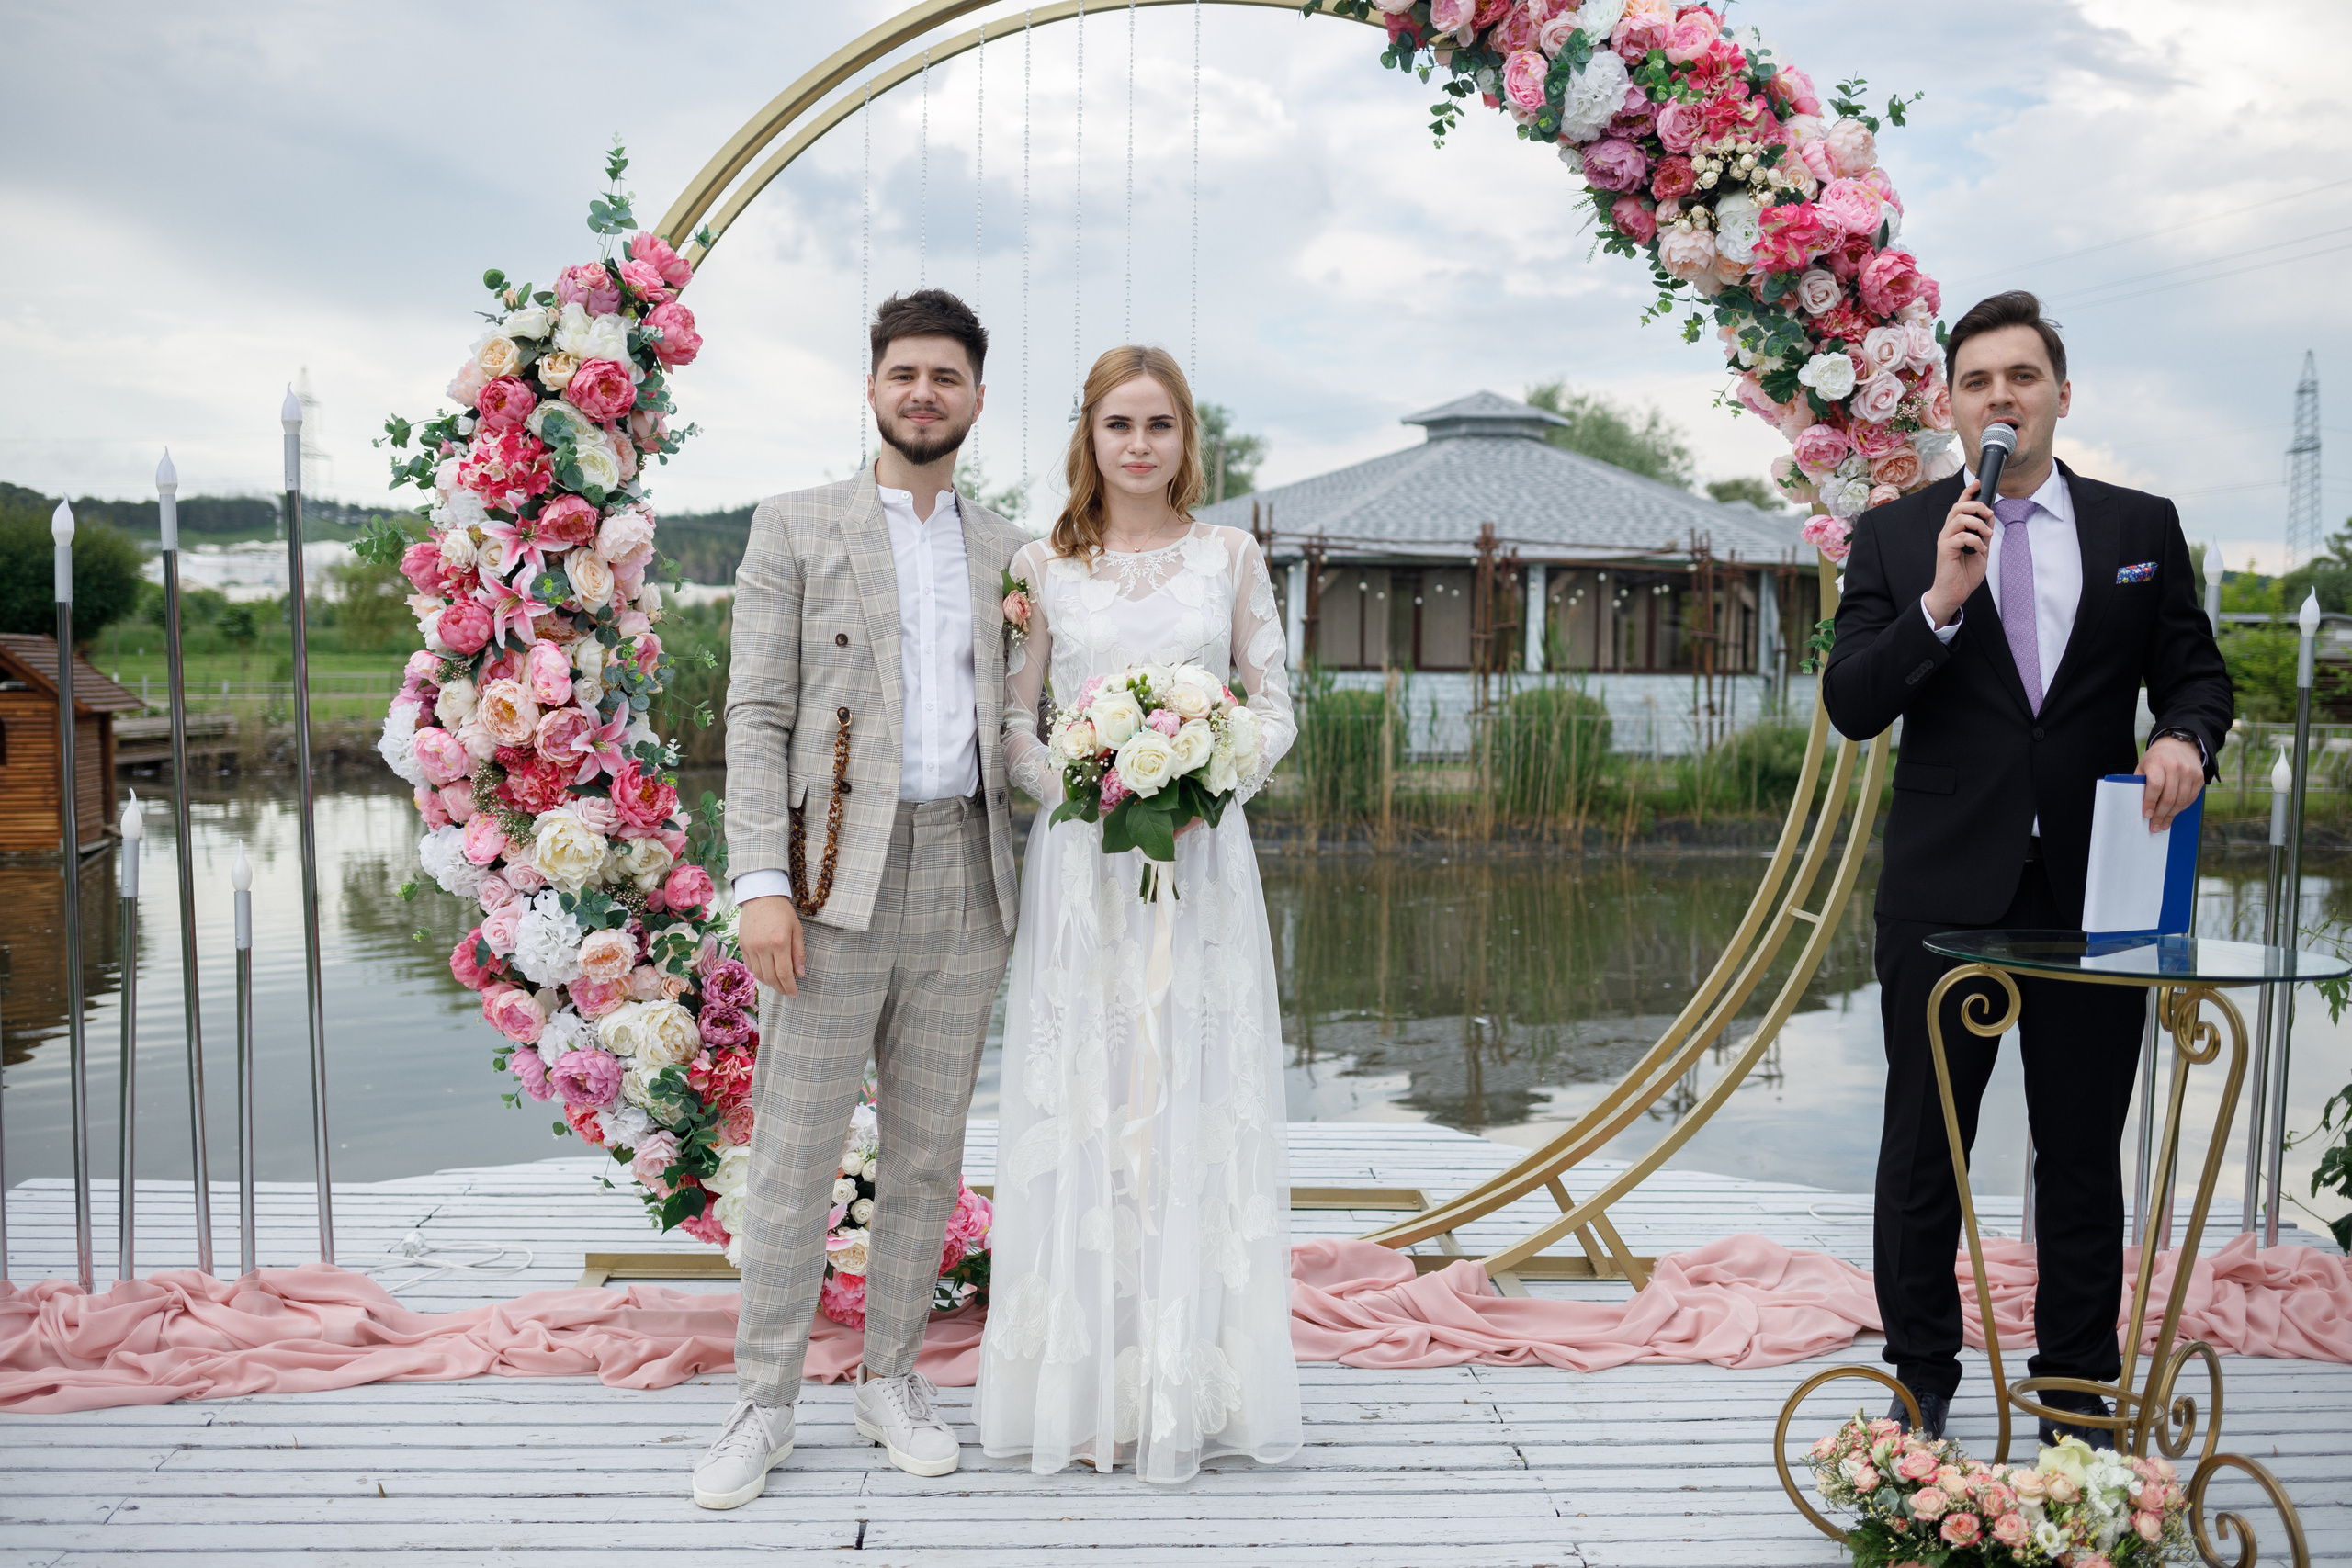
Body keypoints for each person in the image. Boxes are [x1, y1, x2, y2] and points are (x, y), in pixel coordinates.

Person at [1822, 290, 2232, 1447]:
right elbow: (1853, 704)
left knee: (2081, 1149)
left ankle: (2074, 1393)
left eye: (2021, 376)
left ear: (2059, 392)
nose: (2000, 396)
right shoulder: (1899, 535)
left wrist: (2180, 739)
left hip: (2094, 897)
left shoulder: (2138, 527)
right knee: (1923, 1151)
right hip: (1944, 892)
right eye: (1976, 381)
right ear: (1950, 406)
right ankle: (1921, 1379)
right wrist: (1942, 606)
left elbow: (2197, 679)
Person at [692, 289, 1028, 1509]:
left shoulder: (1009, 548)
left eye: (947, 376)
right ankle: (762, 1401)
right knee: (793, 1151)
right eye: (905, 374)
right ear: (873, 389)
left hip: (968, 875)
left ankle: (892, 1374)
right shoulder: (795, 526)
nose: (924, 393)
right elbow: (755, 713)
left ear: (978, 398)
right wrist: (761, 885)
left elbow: (1024, 721)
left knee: (929, 1156)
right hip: (831, 880)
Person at [975, 345, 1303, 1483]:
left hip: (1201, 865)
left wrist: (1208, 778)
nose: (1139, 446)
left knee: (1191, 1097)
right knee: (1089, 1094)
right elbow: (1015, 722)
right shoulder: (1042, 566)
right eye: (1119, 425)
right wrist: (1076, 779)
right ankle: (1084, 1380)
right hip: (1086, 865)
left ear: (1184, 438)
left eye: (1159, 425)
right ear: (1089, 435)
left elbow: (1274, 701)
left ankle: (1186, 1383)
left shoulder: (1231, 557)